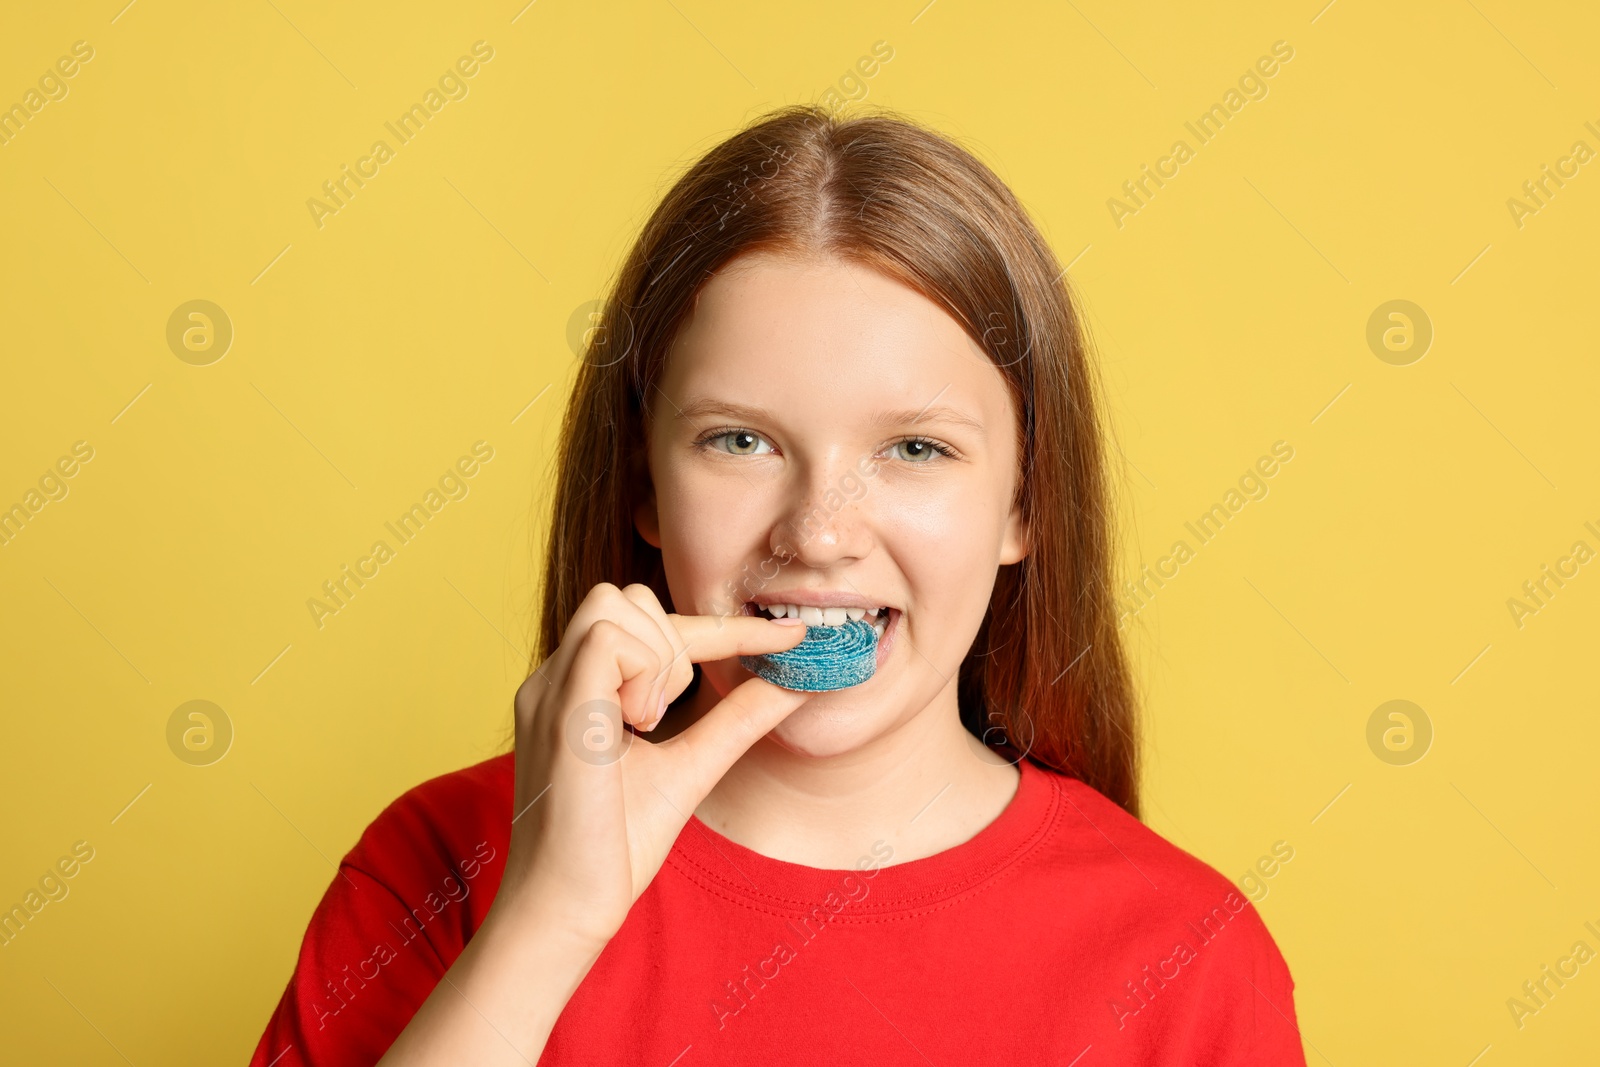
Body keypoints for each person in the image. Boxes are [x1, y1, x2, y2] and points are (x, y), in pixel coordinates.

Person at [248, 103, 1307, 1066]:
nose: (819, 533)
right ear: (644, 487)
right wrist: (547, 922)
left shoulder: (1189, 956)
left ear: (1023, 507)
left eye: (916, 449)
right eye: (741, 439)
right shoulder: (436, 868)